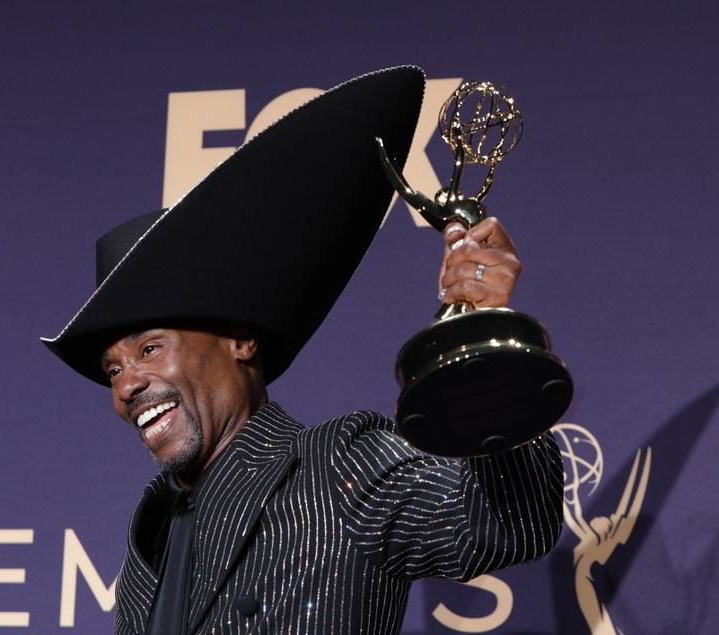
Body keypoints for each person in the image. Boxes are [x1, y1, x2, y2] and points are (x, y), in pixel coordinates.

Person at [42, 67, 563, 634]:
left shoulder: (339, 467)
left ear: (240, 339)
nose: (124, 385)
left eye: (148, 348)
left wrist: (482, 336)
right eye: (112, 368)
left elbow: (506, 524)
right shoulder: (153, 529)